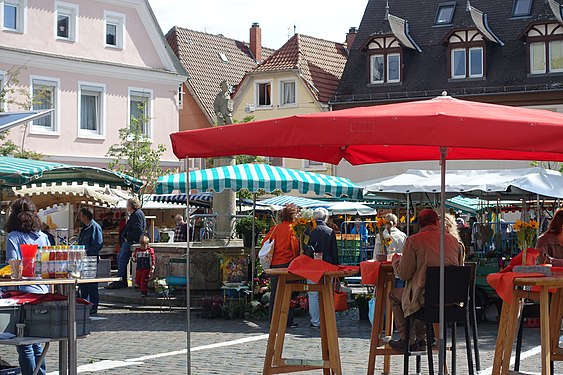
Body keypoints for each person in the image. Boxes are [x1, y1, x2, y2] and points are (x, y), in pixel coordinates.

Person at [388, 209, 463, 352]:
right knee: (418, 293)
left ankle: (407, 339)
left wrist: (396, 261)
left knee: (399, 295)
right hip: (452, 301)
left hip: (427, 302)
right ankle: (422, 338)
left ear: (419, 225)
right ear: (437, 222)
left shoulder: (414, 240)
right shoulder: (453, 241)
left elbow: (404, 274)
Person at [5, 197, 48, 375]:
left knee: (24, 344)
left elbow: (13, 265)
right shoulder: (44, 237)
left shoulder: (14, 237)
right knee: (37, 341)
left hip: (24, 294)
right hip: (44, 292)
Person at [262, 204, 300, 328]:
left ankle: (272, 320)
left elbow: (265, 242)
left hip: (274, 264)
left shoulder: (275, 228)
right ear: (292, 216)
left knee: (274, 293)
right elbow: (294, 247)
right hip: (286, 264)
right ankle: (286, 321)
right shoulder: (292, 229)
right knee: (286, 293)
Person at [304, 208, 339, 328]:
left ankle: (315, 320)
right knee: (327, 292)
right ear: (326, 218)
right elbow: (334, 251)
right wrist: (337, 266)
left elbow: (304, 247)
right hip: (327, 265)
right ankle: (327, 317)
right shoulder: (329, 231)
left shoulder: (308, 230)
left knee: (313, 294)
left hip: (311, 265)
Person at [107, 198, 145, 289]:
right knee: (121, 258)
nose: (126, 207)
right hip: (131, 240)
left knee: (122, 259)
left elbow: (138, 230)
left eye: (127, 205)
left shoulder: (136, 215)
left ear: (131, 205)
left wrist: (127, 237)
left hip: (131, 241)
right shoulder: (137, 214)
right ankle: (121, 280)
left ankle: (121, 280)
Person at [77, 207, 104, 314]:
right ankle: (85, 304)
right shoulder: (84, 228)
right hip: (83, 259)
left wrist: (87, 252)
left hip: (91, 259)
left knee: (91, 284)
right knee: (84, 284)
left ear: (85, 216)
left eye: (80, 215)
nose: (79, 217)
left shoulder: (94, 227)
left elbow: (98, 244)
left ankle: (93, 306)